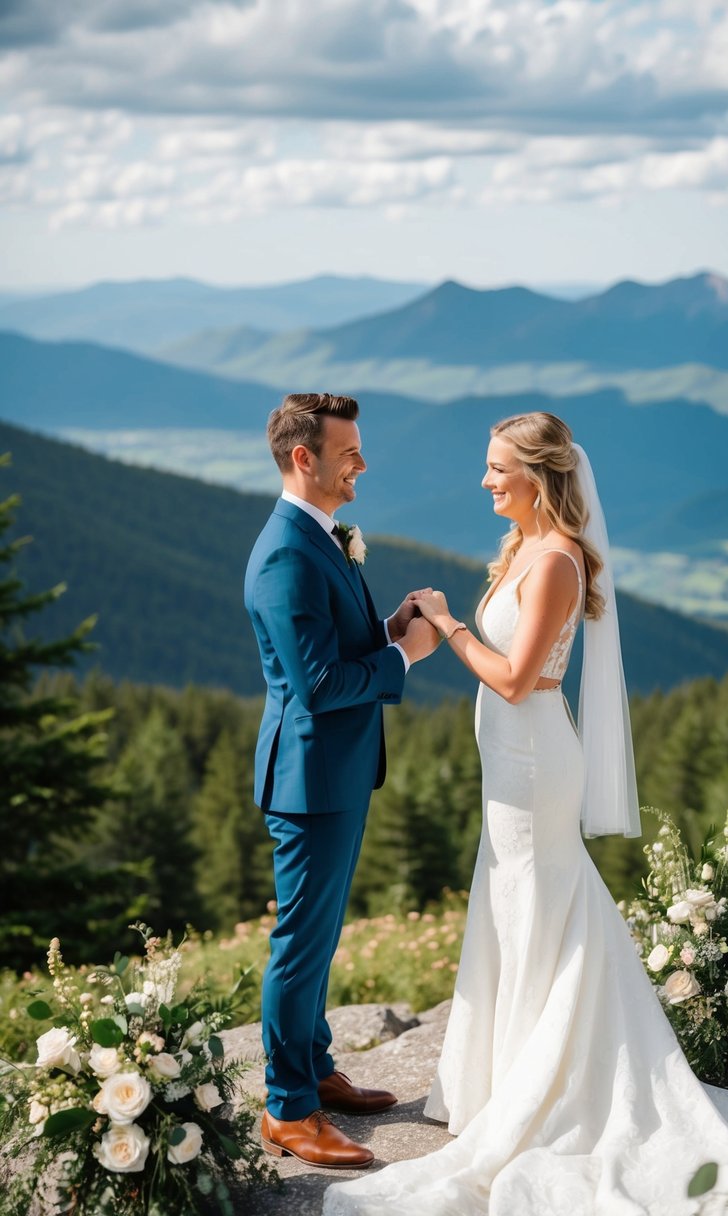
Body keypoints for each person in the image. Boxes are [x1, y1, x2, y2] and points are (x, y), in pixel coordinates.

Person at [323, 411, 728, 1214]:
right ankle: (508, 1077)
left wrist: (446, 623)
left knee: (538, 901)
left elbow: (513, 679)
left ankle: (546, 1085)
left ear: (538, 474)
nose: (484, 480)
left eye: (497, 467)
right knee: (513, 902)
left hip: (536, 763)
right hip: (511, 763)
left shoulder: (558, 563)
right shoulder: (526, 551)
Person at [244, 392, 439, 1170]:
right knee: (299, 944)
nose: (361, 463)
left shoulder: (321, 536)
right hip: (310, 777)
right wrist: (404, 659)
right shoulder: (286, 552)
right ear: (304, 458)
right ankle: (287, 1108)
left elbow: (331, 645)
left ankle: (315, 1067)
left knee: (319, 939)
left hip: (337, 772)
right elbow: (319, 686)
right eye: (348, 450)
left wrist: (385, 629)